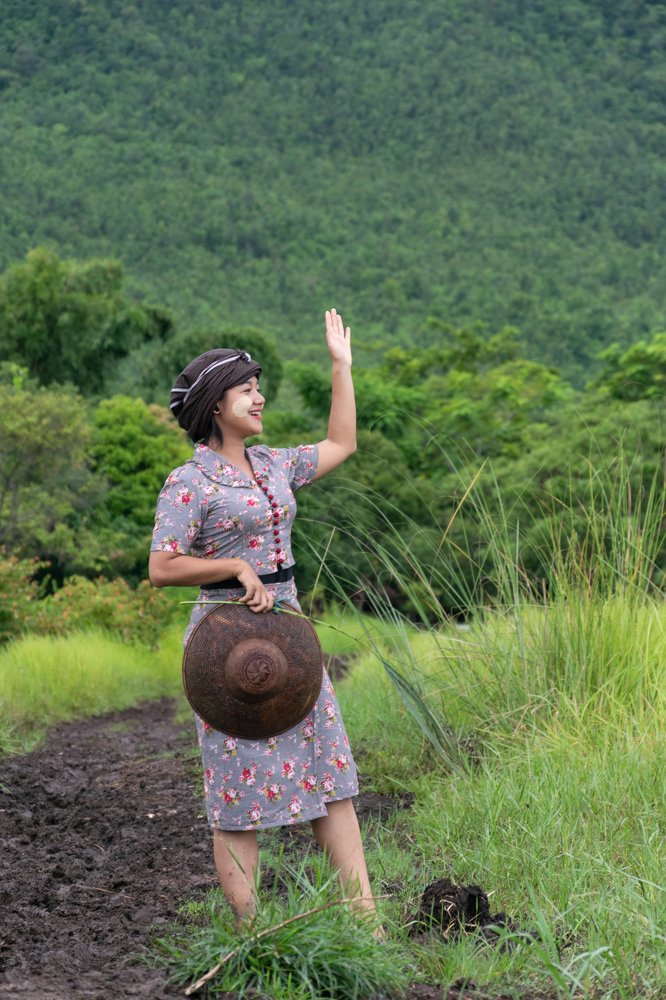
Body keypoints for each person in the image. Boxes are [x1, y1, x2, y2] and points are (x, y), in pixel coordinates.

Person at [149, 309, 377, 927]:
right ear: (215, 405)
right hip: (227, 640)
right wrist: (232, 570)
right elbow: (162, 567)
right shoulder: (188, 482)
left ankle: (366, 923)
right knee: (235, 780)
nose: (260, 396)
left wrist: (341, 367)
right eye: (248, 388)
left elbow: (342, 443)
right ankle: (255, 934)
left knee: (330, 770)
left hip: (289, 627)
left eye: (259, 386)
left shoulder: (275, 464)